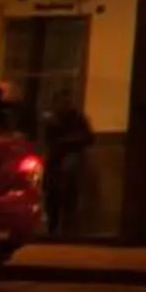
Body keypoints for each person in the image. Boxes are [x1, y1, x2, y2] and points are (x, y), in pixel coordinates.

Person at [41, 95, 93, 237]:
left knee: (65, 194)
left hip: (66, 158)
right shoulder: (56, 119)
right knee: (57, 195)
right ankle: (57, 226)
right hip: (59, 159)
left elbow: (87, 138)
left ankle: (61, 227)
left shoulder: (73, 118)